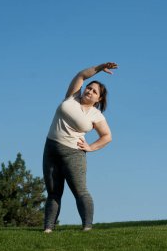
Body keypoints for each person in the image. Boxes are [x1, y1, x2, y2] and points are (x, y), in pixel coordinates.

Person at [43, 62, 118, 233]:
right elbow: (81, 75)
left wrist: (91, 147)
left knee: (80, 191)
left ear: (99, 99)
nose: (89, 91)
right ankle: (48, 229)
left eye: (94, 91)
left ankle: (87, 227)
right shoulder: (72, 97)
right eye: (89, 88)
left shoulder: (95, 115)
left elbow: (107, 136)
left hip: (73, 154)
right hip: (51, 150)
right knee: (53, 192)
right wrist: (99, 68)